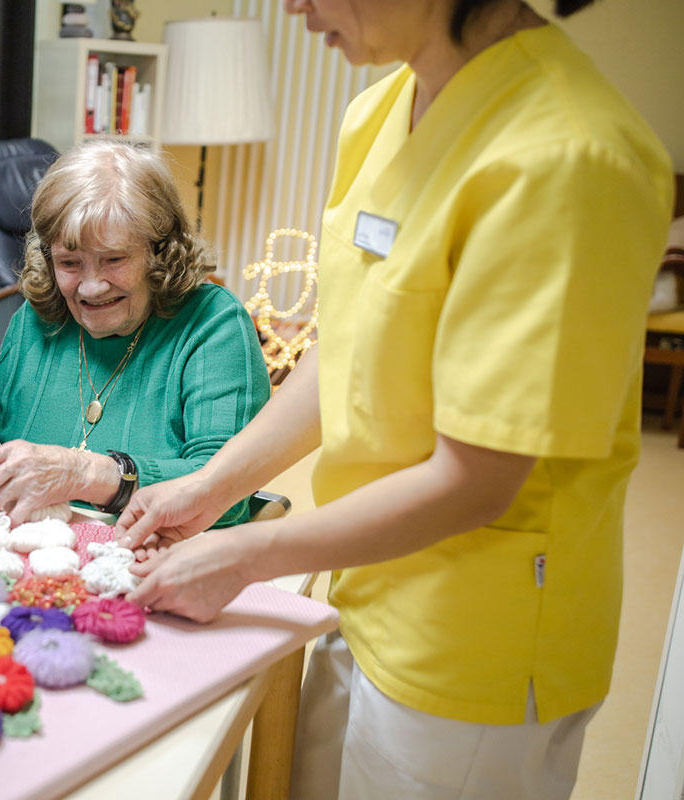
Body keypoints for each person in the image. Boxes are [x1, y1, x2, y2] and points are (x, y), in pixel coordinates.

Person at [115, 1, 674, 797]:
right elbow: (347, 347)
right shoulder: (381, 109)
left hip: (477, 635)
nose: (294, 6)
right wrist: (213, 488)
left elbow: (476, 478)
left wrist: (248, 555)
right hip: (362, 577)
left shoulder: (570, 158)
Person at [0, 140, 270, 526]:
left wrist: (86, 474)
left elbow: (226, 497)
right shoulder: (35, 319)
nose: (91, 287)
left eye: (114, 259)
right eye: (69, 262)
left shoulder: (213, 324)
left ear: (159, 250)